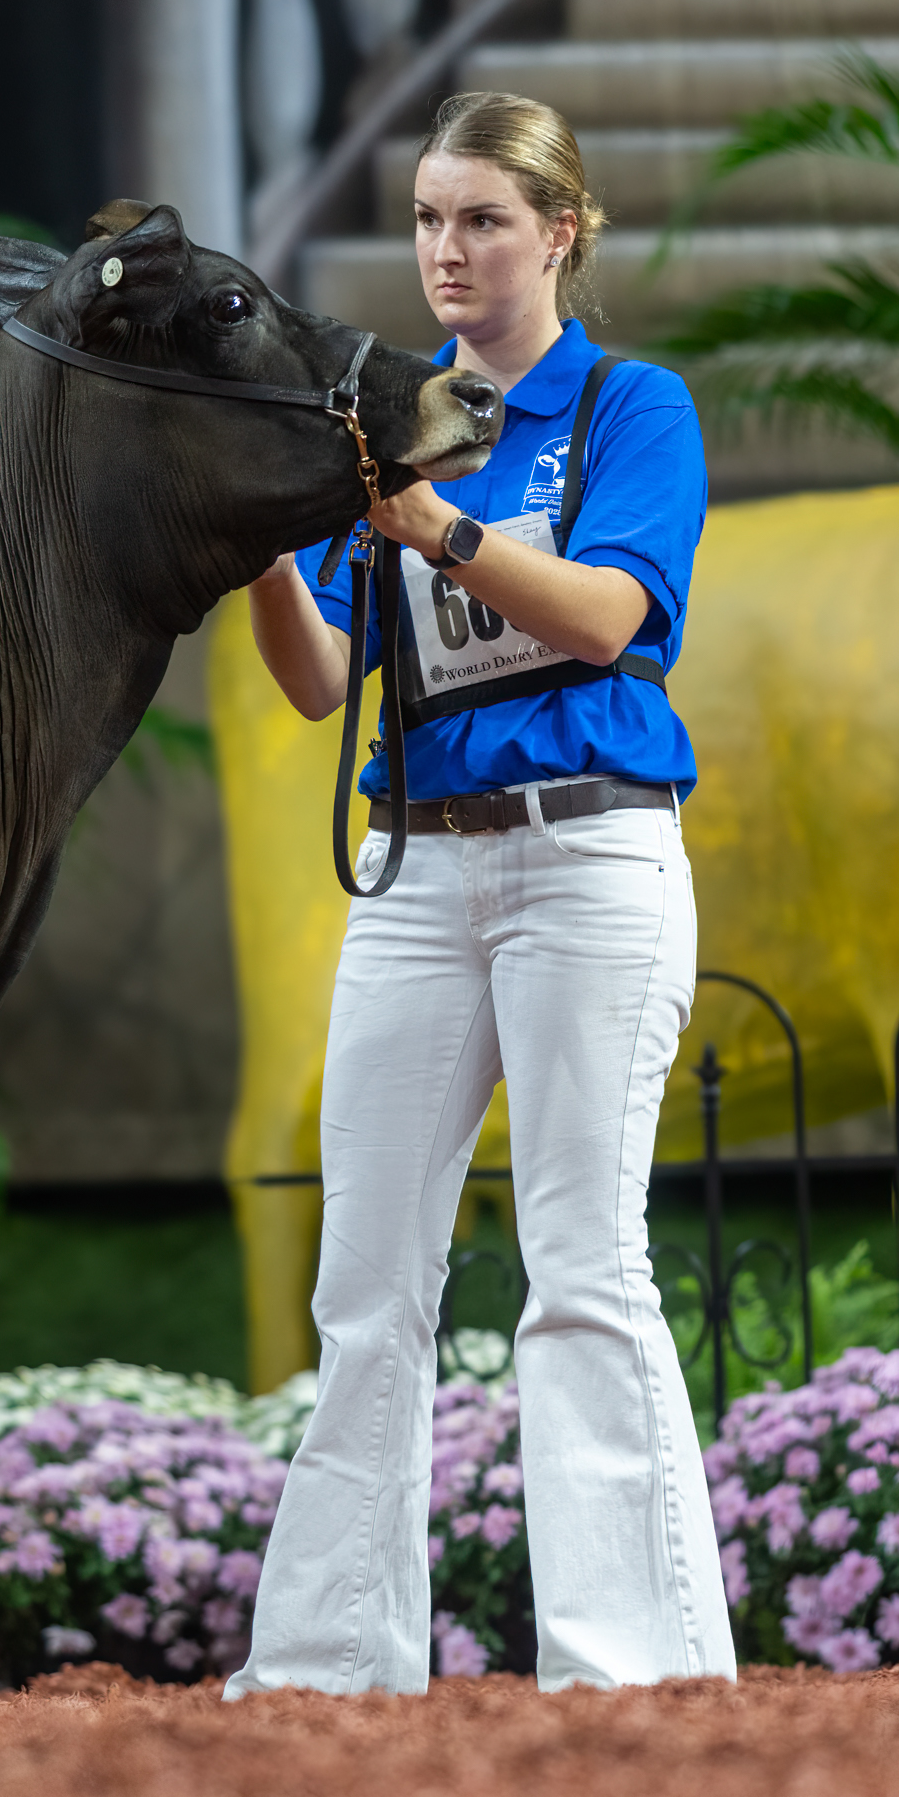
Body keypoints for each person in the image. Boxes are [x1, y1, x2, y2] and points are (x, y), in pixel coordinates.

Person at [224, 91, 736, 1695]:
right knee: (366, 1283)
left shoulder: (632, 406)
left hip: (591, 856)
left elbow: (607, 619)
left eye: (483, 220)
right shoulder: (381, 420)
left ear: (559, 232)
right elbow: (320, 681)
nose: (446, 250)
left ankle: (630, 1674)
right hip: (418, 871)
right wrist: (262, 532)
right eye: (430, 220)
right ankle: (326, 1668)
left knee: (583, 1267)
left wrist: (436, 523)